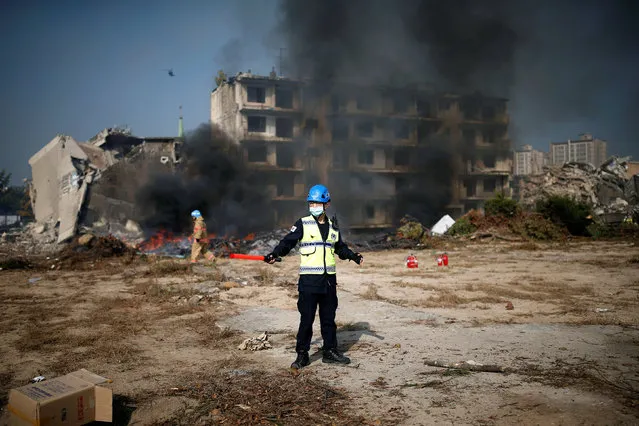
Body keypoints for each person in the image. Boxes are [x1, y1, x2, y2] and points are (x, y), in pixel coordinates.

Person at [264, 184, 364, 369]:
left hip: (328, 281)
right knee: (307, 319)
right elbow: (287, 242)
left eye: (317, 202)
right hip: (309, 281)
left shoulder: (334, 226)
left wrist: (353, 256)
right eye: (311, 202)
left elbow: (339, 248)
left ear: (326, 204)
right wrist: (274, 254)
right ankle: (302, 355)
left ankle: (330, 351)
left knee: (328, 319)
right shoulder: (303, 223)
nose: (314, 206)